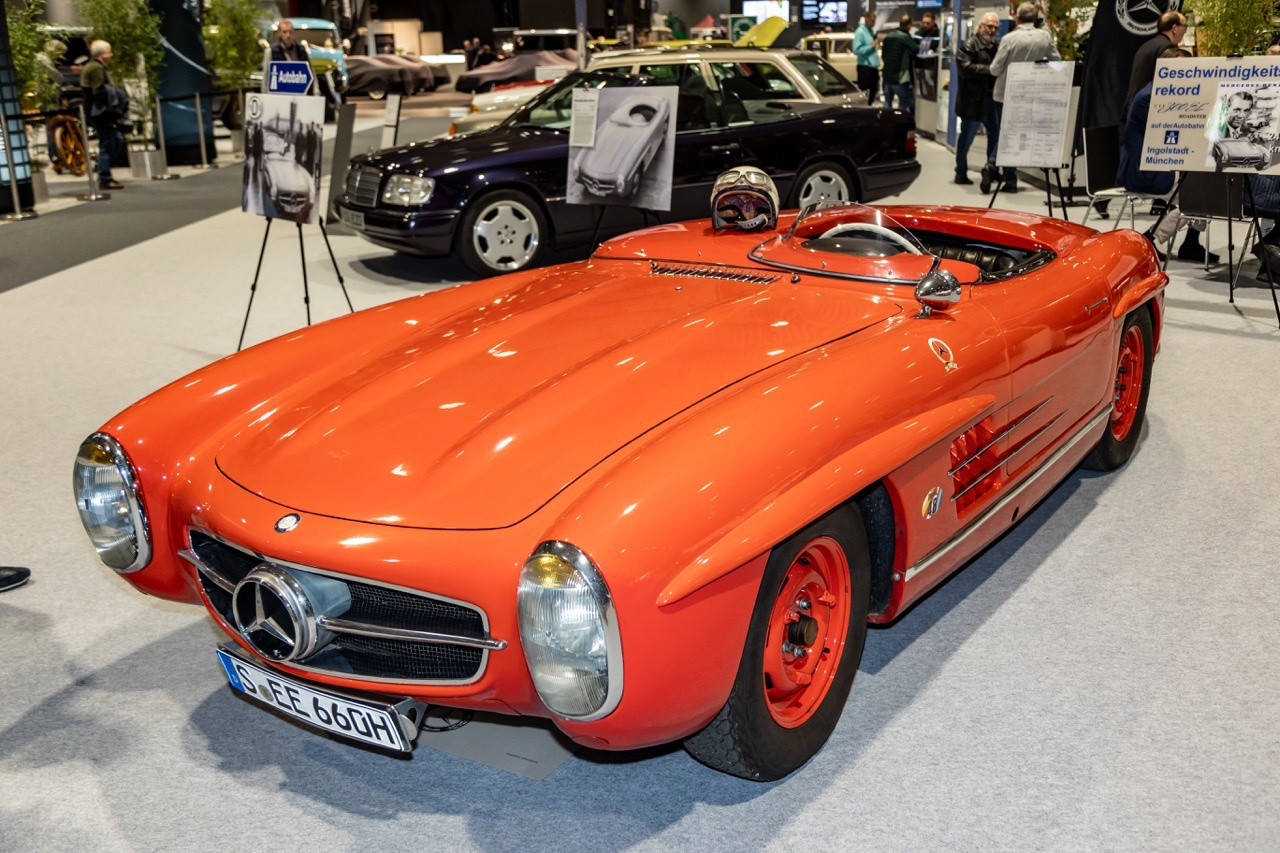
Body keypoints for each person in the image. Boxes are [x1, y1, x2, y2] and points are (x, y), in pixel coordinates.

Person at [1118, 46, 1217, 265]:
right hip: (1146, 171)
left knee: (1204, 188)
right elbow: (1173, 135)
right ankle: (1151, 238)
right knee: (1197, 199)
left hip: (1165, 166)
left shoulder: (1170, 94)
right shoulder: (1150, 98)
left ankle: (1191, 242)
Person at [988, 3, 1060, 193]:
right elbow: (1057, 62)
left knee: (1005, 133)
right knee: (1016, 135)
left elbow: (994, 69)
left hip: (1004, 93)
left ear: (1017, 17)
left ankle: (994, 166)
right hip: (1030, 93)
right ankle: (1009, 180)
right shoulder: (1044, 37)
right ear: (1036, 18)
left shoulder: (1009, 39)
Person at [954, 13, 1001, 186]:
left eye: (995, 27)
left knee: (995, 135)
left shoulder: (995, 46)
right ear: (980, 26)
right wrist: (990, 70)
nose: (992, 30)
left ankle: (991, 169)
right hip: (972, 101)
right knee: (966, 139)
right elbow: (965, 68)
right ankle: (960, 172)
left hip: (989, 99)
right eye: (989, 26)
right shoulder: (969, 45)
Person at [80, 40, 126, 191]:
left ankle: (103, 171)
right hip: (99, 112)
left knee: (116, 139)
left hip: (97, 111)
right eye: (109, 52)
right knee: (108, 142)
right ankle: (105, 177)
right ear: (102, 54)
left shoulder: (94, 66)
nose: (111, 55)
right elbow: (99, 91)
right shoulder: (96, 68)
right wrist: (114, 103)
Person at [1124, 11, 1187, 115]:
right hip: (1149, 110)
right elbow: (1170, 83)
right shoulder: (1167, 48)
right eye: (1184, 26)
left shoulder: (1148, 45)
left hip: (1135, 107)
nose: (1185, 31)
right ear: (1174, 28)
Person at [880, 15, 917, 114]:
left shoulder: (888, 37)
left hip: (887, 75)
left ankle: (885, 121)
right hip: (900, 77)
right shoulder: (905, 38)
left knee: (887, 102)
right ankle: (899, 122)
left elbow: (883, 55)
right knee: (903, 104)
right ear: (909, 25)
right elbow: (916, 49)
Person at [853, 11, 881, 106]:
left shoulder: (872, 31)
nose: (874, 23)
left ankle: (870, 106)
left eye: (874, 21)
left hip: (873, 66)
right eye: (872, 21)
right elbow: (856, 50)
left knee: (873, 91)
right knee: (864, 92)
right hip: (865, 67)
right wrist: (870, 47)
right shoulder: (860, 32)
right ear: (866, 20)